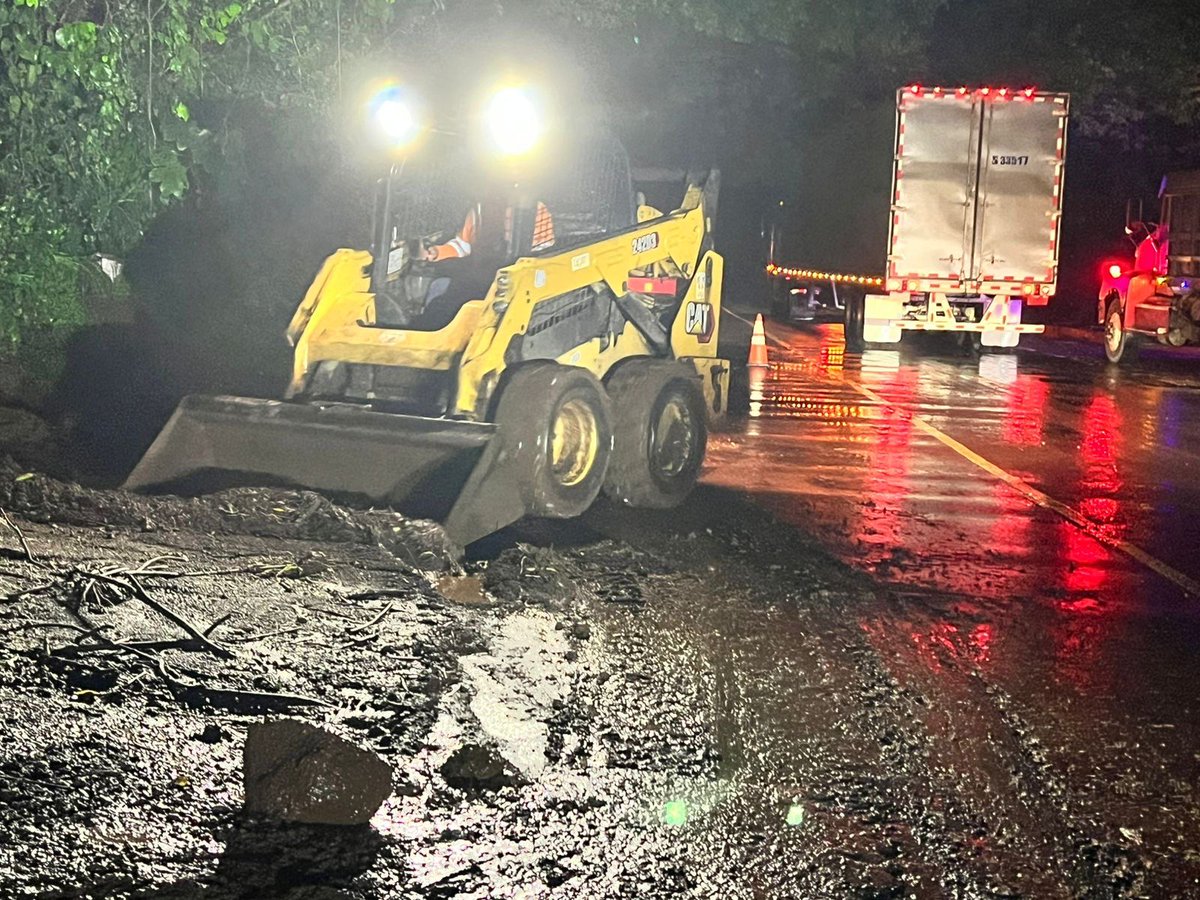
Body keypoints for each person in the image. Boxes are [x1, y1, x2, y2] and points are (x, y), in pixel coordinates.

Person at [422, 201, 555, 261]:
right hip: (483, 274)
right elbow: (462, 246)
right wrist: (438, 252)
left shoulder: (536, 209)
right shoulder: (479, 213)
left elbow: (545, 251)